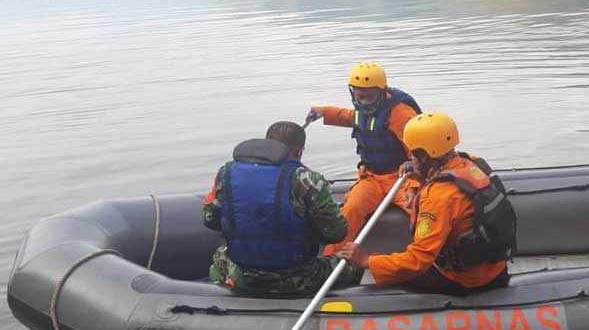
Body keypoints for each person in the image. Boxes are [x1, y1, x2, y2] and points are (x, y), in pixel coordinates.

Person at [336, 112, 516, 295]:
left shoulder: (438, 197)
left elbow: (419, 260)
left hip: (465, 280)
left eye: (414, 155)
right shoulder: (471, 162)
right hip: (494, 268)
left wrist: (367, 261)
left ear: (424, 156)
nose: (411, 159)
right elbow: (444, 177)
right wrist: (419, 175)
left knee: (391, 279)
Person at [202, 122, 362, 295]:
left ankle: (223, 294)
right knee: (354, 264)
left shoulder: (226, 173)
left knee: (221, 255)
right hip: (294, 275)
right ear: (300, 151)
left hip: (244, 274)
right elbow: (336, 233)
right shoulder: (307, 179)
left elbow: (210, 220)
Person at [306, 62, 421, 255]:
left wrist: (414, 184)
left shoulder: (401, 113)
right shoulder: (361, 108)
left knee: (419, 211)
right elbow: (350, 117)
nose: (364, 102)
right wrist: (324, 112)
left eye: (369, 97)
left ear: (381, 91)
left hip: (403, 178)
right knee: (352, 208)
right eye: (360, 97)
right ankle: (331, 258)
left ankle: (427, 256)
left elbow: (418, 151)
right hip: (372, 177)